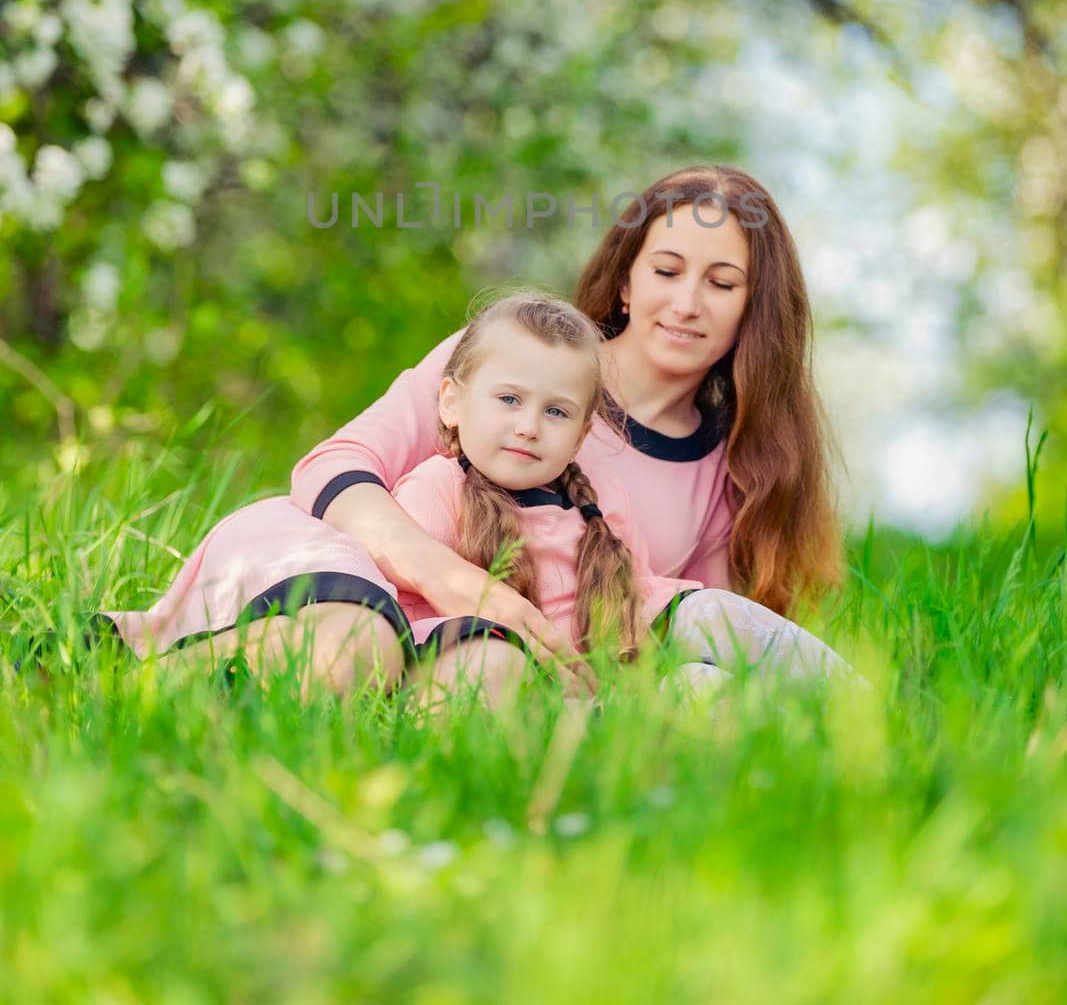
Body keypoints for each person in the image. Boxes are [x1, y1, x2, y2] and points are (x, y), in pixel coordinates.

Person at [98, 163, 844, 697]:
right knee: (349, 653)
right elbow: (333, 466)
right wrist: (452, 578)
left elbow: (674, 622)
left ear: (756, 308)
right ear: (626, 279)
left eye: (720, 284)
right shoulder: (519, 356)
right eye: (667, 270)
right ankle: (134, 670)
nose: (686, 303)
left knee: (483, 686)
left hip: (478, 651)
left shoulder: (728, 463)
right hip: (350, 565)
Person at [389, 291, 853, 712]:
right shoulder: (436, 489)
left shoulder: (598, 499)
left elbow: (635, 592)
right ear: (451, 401)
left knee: (705, 663)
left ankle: (857, 710)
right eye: (509, 399)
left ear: (581, 435)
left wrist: (686, 616)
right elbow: (412, 622)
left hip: (609, 697)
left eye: (556, 411)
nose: (529, 426)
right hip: (521, 699)